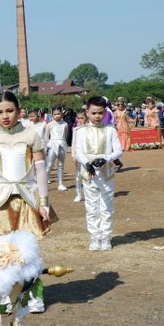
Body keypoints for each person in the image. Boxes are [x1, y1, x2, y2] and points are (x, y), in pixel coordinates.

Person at [0, 92, 58, 313]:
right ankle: (5, 294)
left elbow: (40, 170)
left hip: (27, 199)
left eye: (9, 110)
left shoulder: (31, 136)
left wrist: (44, 202)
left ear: (18, 110)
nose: (5, 116)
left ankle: (33, 295)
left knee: (28, 251)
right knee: (1, 249)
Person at [74, 96, 123, 251]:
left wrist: (106, 158)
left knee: (106, 206)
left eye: (100, 113)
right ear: (87, 113)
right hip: (89, 174)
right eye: (94, 113)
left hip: (106, 173)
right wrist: (87, 164)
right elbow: (78, 151)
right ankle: (94, 237)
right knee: (91, 206)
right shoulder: (81, 131)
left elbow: (118, 150)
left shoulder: (110, 130)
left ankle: (106, 237)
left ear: (105, 113)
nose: (97, 116)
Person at [44, 108, 69, 191]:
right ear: (52, 115)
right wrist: (50, 145)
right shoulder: (49, 124)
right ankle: (43, 182)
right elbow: (46, 137)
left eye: (58, 114)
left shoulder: (65, 124)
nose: (57, 116)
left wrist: (64, 143)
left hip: (62, 145)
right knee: (49, 165)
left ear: (62, 114)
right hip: (52, 145)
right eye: (55, 114)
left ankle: (60, 184)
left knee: (61, 165)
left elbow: (65, 135)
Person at [70, 111, 88, 203]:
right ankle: (79, 194)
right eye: (78, 118)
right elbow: (74, 143)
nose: (80, 120)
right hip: (78, 155)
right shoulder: (76, 129)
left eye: (82, 118)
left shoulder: (90, 128)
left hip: (88, 155)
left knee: (88, 175)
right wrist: (73, 155)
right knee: (78, 175)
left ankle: (88, 194)